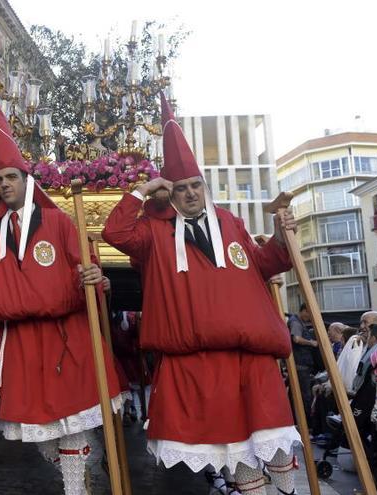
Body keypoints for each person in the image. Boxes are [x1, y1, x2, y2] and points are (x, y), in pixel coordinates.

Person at [101, 95, 300, 495]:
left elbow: (265, 263)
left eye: (196, 185)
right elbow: (114, 234)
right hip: (198, 364)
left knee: (277, 450)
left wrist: (282, 235)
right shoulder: (153, 235)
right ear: (169, 194)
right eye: (180, 188)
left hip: (254, 358)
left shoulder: (231, 222)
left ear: (204, 187)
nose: (190, 193)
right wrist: (142, 192)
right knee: (238, 456)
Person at [0, 110, 121, 495]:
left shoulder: (58, 223)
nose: (4, 185)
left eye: (11, 178)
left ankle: (76, 489)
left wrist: (97, 279)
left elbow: (87, 268)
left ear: (27, 181)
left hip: (64, 335)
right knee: (35, 430)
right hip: (15, 340)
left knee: (70, 419)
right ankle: (79, 472)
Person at [288, 303, 317, 422]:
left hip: (299, 365)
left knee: (295, 395)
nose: (310, 317)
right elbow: (296, 339)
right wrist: (312, 343)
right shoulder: (296, 322)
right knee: (304, 396)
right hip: (300, 367)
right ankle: (305, 424)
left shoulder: (297, 321)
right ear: (304, 311)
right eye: (309, 314)